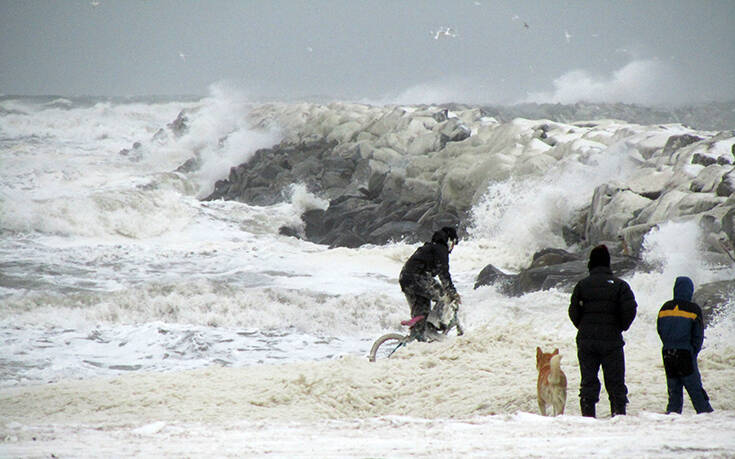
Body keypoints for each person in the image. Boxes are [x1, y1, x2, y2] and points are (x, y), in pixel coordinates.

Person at [569, 244, 637, 418]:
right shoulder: (620, 286)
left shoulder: (582, 285)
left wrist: (584, 326)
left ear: (591, 263)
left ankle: (588, 417)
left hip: (587, 340)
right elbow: (630, 310)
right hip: (611, 340)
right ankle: (618, 415)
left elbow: (573, 312)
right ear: (608, 263)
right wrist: (619, 327)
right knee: (615, 382)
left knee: (588, 381)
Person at [657, 276, 714, 414]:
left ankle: (672, 417)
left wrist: (668, 344)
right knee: (694, 388)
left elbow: (660, 329)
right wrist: (693, 351)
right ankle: (706, 415)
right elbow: (698, 336)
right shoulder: (693, 309)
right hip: (685, 352)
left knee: (673, 388)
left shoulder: (665, 307)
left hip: (668, 351)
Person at [399, 226, 461, 340]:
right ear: (450, 241)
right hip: (417, 277)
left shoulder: (430, 248)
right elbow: (444, 274)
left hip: (405, 279)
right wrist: (453, 293)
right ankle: (432, 325)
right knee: (444, 296)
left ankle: (416, 341)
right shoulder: (440, 249)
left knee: (422, 315)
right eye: (454, 244)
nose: (452, 248)